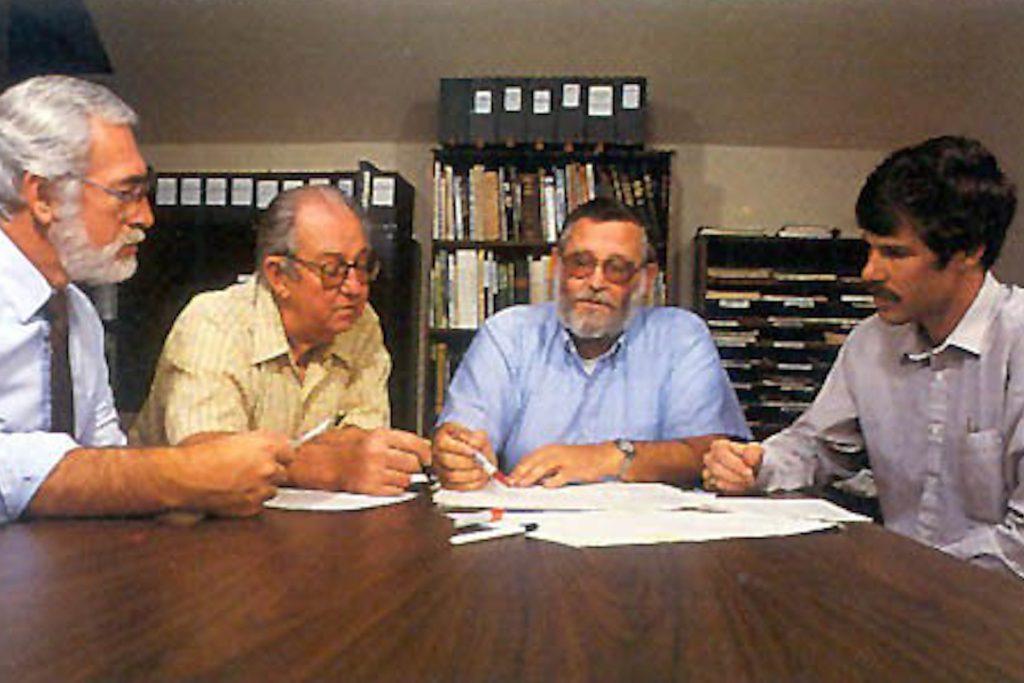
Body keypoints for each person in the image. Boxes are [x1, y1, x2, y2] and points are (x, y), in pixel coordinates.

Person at [703, 135, 1024, 578]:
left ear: (970, 252)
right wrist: (757, 465)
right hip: (901, 594)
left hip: (997, 615)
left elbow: (1020, 545)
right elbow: (819, 445)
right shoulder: (871, 343)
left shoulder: (1017, 345)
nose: (869, 272)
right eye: (869, 248)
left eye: (895, 253)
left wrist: (901, 570)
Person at [0, 75, 292, 523]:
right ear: (43, 196)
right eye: (126, 193)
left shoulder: (77, 313)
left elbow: (105, 464)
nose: (145, 217)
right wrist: (179, 475)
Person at [131, 185, 430, 496]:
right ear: (278, 275)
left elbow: (361, 442)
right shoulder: (214, 323)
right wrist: (319, 465)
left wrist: (342, 457)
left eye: (363, 265)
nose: (355, 287)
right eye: (332, 270)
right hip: (168, 527)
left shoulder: (360, 324)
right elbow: (206, 461)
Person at [432, 198, 750, 490]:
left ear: (646, 279)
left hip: (645, 538)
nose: (596, 283)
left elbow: (708, 455)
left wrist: (611, 457)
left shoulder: (681, 337)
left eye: (617, 269)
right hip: (526, 534)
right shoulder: (507, 334)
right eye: (581, 263)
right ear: (556, 266)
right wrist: (457, 456)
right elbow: (462, 436)